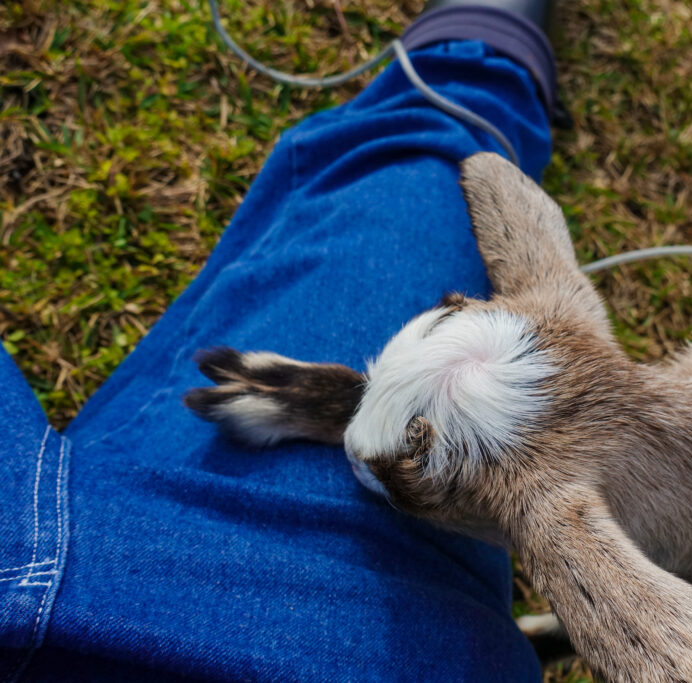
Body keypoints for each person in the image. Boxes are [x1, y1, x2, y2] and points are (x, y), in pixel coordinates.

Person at [0, 2, 561, 679]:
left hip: (72, 593)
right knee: (438, 162)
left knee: (424, 177)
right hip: (369, 633)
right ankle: (475, 58)